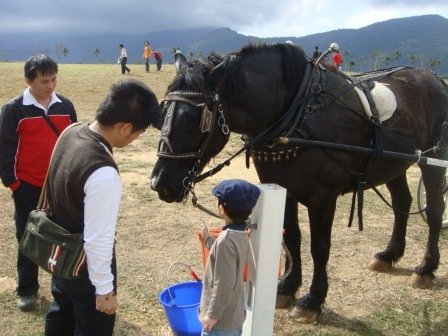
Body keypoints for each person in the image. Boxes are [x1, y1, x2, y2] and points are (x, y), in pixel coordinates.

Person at [44, 79, 161, 336]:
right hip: (85, 270)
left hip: (60, 254)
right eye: (138, 134)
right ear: (125, 128)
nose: (134, 139)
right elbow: (98, 239)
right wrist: (104, 290)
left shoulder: (71, 132)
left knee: (61, 315)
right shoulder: (103, 172)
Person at [0, 54, 77, 312]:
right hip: (28, 188)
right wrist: (14, 184)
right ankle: (27, 290)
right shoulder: (13, 110)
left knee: (64, 238)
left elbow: (75, 144)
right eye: (44, 81)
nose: (50, 86)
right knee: (28, 238)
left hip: (60, 186)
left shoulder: (65, 106)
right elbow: (5, 151)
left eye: (54, 79)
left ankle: (62, 289)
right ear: (28, 80)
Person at [199, 179, 261, 336]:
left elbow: (224, 283)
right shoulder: (242, 235)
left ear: (221, 209)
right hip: (234, 316)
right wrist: (207, 238)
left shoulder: (225, 240)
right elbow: (228, 256)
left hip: (220, 323)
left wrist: (212, 315)